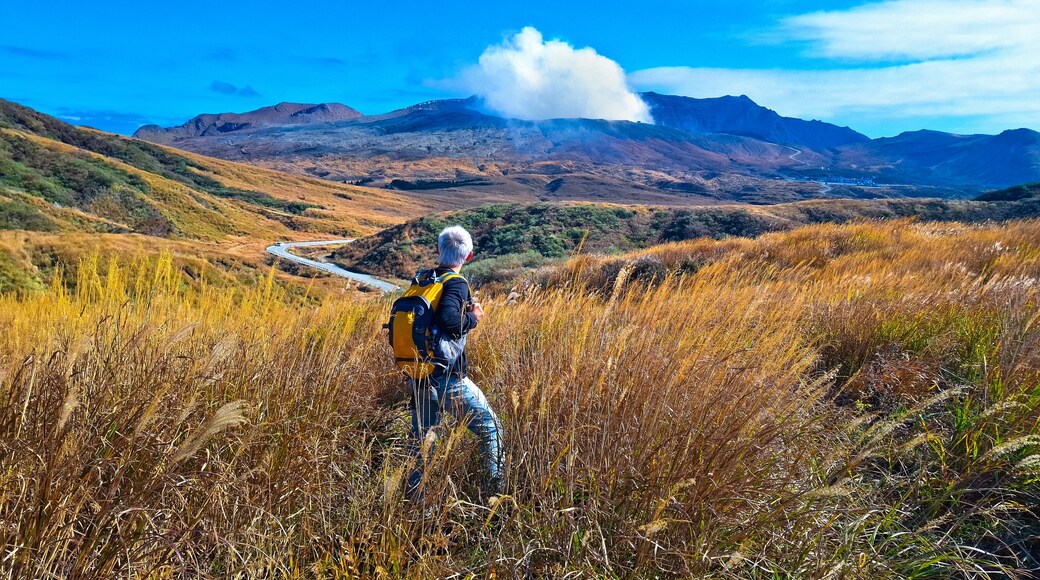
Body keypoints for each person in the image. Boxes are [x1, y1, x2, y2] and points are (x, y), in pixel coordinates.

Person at [406, 225, 504, 502]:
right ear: (469, 256)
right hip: (447, 378)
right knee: (492, 429)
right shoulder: (456, 283)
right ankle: (494, 498)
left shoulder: (424, 279)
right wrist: (474, 318)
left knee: (422, 445)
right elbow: (450, 321)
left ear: (438, 251)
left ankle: (416, 507)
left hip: (419, 374)